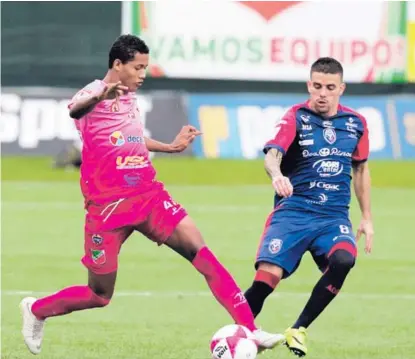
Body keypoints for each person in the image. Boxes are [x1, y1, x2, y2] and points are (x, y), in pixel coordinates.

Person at [19, 35, 284, 355]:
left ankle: (251, 330)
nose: (143, 74)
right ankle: (37, 310)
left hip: (148, 194)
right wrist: (103, 92)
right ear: (117, 65)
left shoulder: (130, 97)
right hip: (108, 207)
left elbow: (130, 137)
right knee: (99, 294)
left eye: (146, 67)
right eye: (137, 67)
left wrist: (170, 147)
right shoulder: (94, 91)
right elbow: (75, 110)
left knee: (201, 254)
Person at [244, 57, 374, 357]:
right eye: (316, 86)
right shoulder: (295, 117)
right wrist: (277, 175)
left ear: (341, 88)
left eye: (330, 87)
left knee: (344, 260)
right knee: (266, 278)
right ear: (309, 85)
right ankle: (241, 334)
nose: (322, 93)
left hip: (333, 217)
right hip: (294, 212)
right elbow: (272, 155)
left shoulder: (356, 123)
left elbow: (361, 170)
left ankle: (298, 328)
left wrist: (367, 217)